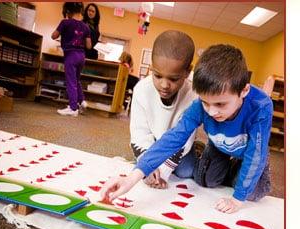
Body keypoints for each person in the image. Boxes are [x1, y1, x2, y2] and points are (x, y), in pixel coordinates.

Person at [101, 44, 273, 214]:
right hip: (219, 144)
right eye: (206, 103)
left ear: (244, 90)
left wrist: (237, 199)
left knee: (250, 192)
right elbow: (174, 137)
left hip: (251, 149)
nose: (212, 112)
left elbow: (255, 154)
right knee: (207, 180)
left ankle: (239, 167)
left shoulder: (260, 107)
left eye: (220, 104)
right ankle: (231, 167)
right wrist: (132, 178)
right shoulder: (200, 105)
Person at [130, 30, 198, 189]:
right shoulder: (141, 90)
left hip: (178, 143)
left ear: (188, 72)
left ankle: (198, 147)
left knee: (186, 171)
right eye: (158, 76)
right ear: (151, 68)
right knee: (142, 165)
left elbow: (184, 139)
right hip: (153, 140)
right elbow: (139, 133)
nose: (164, 85)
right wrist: (148, 167)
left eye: (173, 79)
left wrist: (164, 170)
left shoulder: (193, 95)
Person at [52, 2, 91, 117]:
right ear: (81, 11)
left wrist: (63, 33)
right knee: (76, 80)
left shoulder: (65, 22)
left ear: (68, 12)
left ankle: (73, 108)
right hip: (81, 56)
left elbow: (53, 36)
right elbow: (89, 46)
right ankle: (82, 101)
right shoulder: (86, 26)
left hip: (70, 55)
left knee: (71, 82)